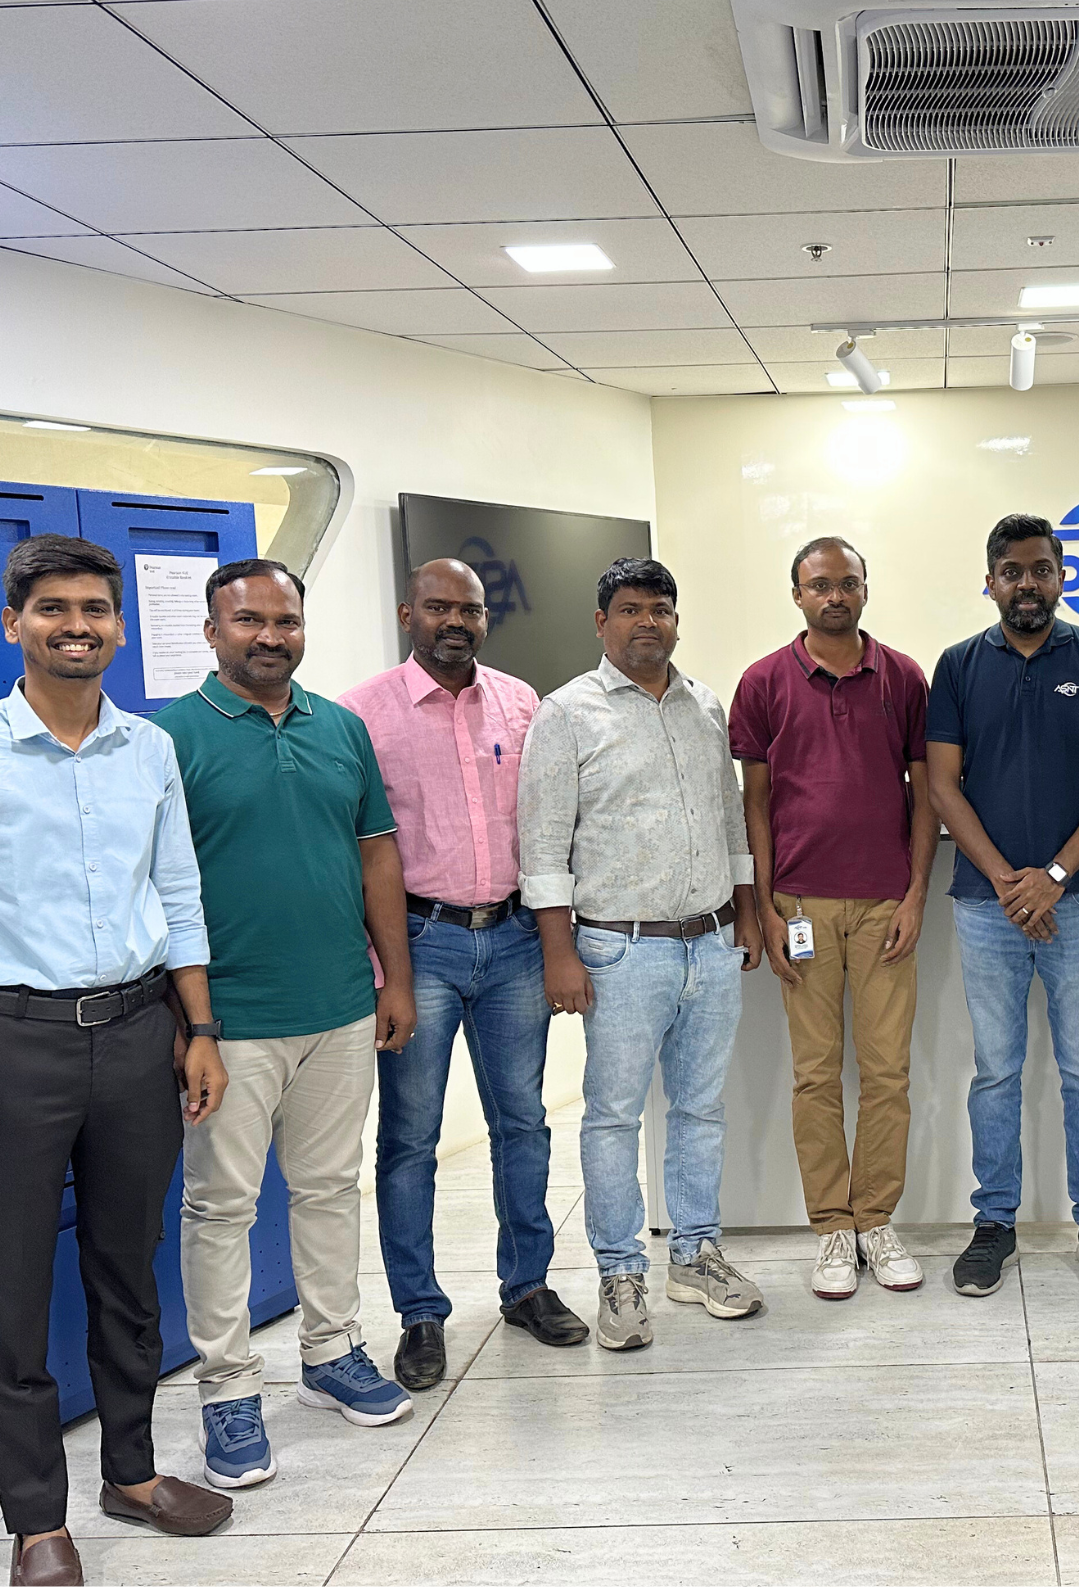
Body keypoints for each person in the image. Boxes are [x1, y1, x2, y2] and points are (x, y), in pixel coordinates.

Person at [0, 535, 233, 1586]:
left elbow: (179, 896)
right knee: (10, 1290)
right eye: (53, 610)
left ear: (120, 628)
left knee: (129, 1272)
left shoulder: (150, 750)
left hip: (139, 1035)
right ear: (14, 624)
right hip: (10, 1046)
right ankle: (38, 1521)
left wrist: (200, 1028)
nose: (77, 626)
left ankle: (131, 1473)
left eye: (95, 609)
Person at [157, 558, 418, 1491]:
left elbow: (376, 857)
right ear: (212, 630)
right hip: (228, 1023)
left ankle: (331, 1350)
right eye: (249, 620)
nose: (270, 635)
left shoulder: (340, 727)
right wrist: (195, 1024)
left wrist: (393, 975)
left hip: (341, 1005)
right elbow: (158, 885)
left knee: (329, 1187)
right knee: (220, 1208)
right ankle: (227, 1388)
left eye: (286, 620)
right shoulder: (168, 738)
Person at [340, 560, 587, 1391]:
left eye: (470, 609)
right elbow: (356, 851)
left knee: (524, 1122)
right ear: (408, 611)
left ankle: (527, 1285)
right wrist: (386, 969)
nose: (455, 620)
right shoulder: (363, 714)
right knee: (409, 1140)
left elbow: (553, 827)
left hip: (514, 936)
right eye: (439, 607)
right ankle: (419, 1312)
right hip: (420, 943)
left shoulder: (524, 704)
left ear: (486, 618)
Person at [519, 556, 763, 1352]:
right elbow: (544, 845)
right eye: (629, 609)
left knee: (700, 1109)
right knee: (614, 1117)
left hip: (711, 941)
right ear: (601, 622)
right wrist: (560, 952)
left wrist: (747, 915)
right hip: (619, 952)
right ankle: (620, 1271)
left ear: (676, 619)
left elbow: (731, 823)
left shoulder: (704, 707)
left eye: (660, 608)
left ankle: (693, 1253)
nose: (646, 621)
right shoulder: (566, 713)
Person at [927, 513, 1079, 1301]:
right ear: (990, 580)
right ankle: (993, 1223)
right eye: (1011, 570)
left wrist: (1050, 875)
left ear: (1062, 576)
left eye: (1041, 568)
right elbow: (942, 785)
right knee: (996, 1072)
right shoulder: (955, 666)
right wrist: (1012, 884)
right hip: (987, 909)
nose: (1027, 582)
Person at [731, 537, 935, 1300]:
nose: (835, 595)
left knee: (887, 1073)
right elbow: (755, 803)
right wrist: (765, 907)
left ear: (864, 589)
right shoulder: (762, 682)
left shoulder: (903, 678)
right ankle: (831, 1229)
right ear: (797, 595)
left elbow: (925, 796)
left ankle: (876, 1220)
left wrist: (915, 895)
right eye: (820, 584)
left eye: (847, 582)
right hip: (801, 906)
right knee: (815, 1075)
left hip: (886, 904)